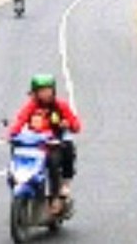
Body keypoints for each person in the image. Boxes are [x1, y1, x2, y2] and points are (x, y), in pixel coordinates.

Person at [8, 73, 82, 209]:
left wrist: (68, 125)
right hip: (35, 146)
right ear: (35, 93)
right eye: (41, 91)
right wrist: (11, 135)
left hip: (53, 144)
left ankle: (56, 197)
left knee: (53, 162)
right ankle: (20, 185)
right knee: (16, 155)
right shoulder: (31, 106)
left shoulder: (61, 106)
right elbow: (20, 121)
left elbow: (76, 125)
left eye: (48, 90)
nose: (46, 94)